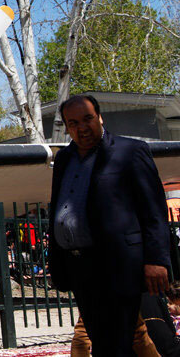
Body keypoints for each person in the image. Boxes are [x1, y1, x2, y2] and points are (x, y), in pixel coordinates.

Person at [48, 94, 170, 356]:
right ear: (67, 127)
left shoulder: (130, 152)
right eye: (73, 123)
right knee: (101, 341)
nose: (82, 127)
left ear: (100, 117)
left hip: (120, 265)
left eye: (88, 119)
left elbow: (154, 211)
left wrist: (157, 260)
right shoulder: (64, 159)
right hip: (80, 266)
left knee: (118, 343)